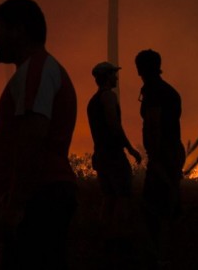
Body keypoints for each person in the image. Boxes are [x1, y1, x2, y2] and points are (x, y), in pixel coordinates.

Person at [0, 0, 78, 269]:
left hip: (41, 197)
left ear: (19, 30)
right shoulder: (36, 70)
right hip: (41, 195)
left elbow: (33, 137)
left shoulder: (36, 71)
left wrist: (15, 205)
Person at [86, 61, 141, 260]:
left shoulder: (92, 101)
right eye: (113, 74)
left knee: (108, 197)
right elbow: (114, 125)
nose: (116, 77)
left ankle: (104, 239)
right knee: (123, 196)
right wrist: (130, 148)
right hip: (113, 155)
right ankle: (119, 240)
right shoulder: (108, 96)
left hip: (101, 154)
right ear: (107, 76)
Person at [135, 49, 185, 264]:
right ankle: (168, 252)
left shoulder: (154, 91)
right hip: (172, 151)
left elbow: (154, 124)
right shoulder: (166, 90)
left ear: (141, 68)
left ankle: (161, 255)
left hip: (163, 154)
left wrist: (154, 158)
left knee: (154, 207)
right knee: (166, 202)